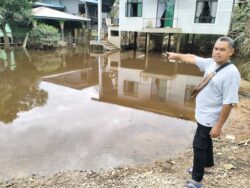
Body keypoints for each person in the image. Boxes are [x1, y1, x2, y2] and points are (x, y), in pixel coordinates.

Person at [166, 36, 241, 188]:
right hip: (202, 114)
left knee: (199, 144)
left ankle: (196, 180)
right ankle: (207, 164)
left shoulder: (231, 74)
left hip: (210, 117)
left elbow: (228, 103)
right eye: (216, 48)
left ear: (231, 52)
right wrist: (176, 56)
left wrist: (218, 126)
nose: (217, 52)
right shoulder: (211, 63)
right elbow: (193, 58)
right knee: (206, 140)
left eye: (222, 50)